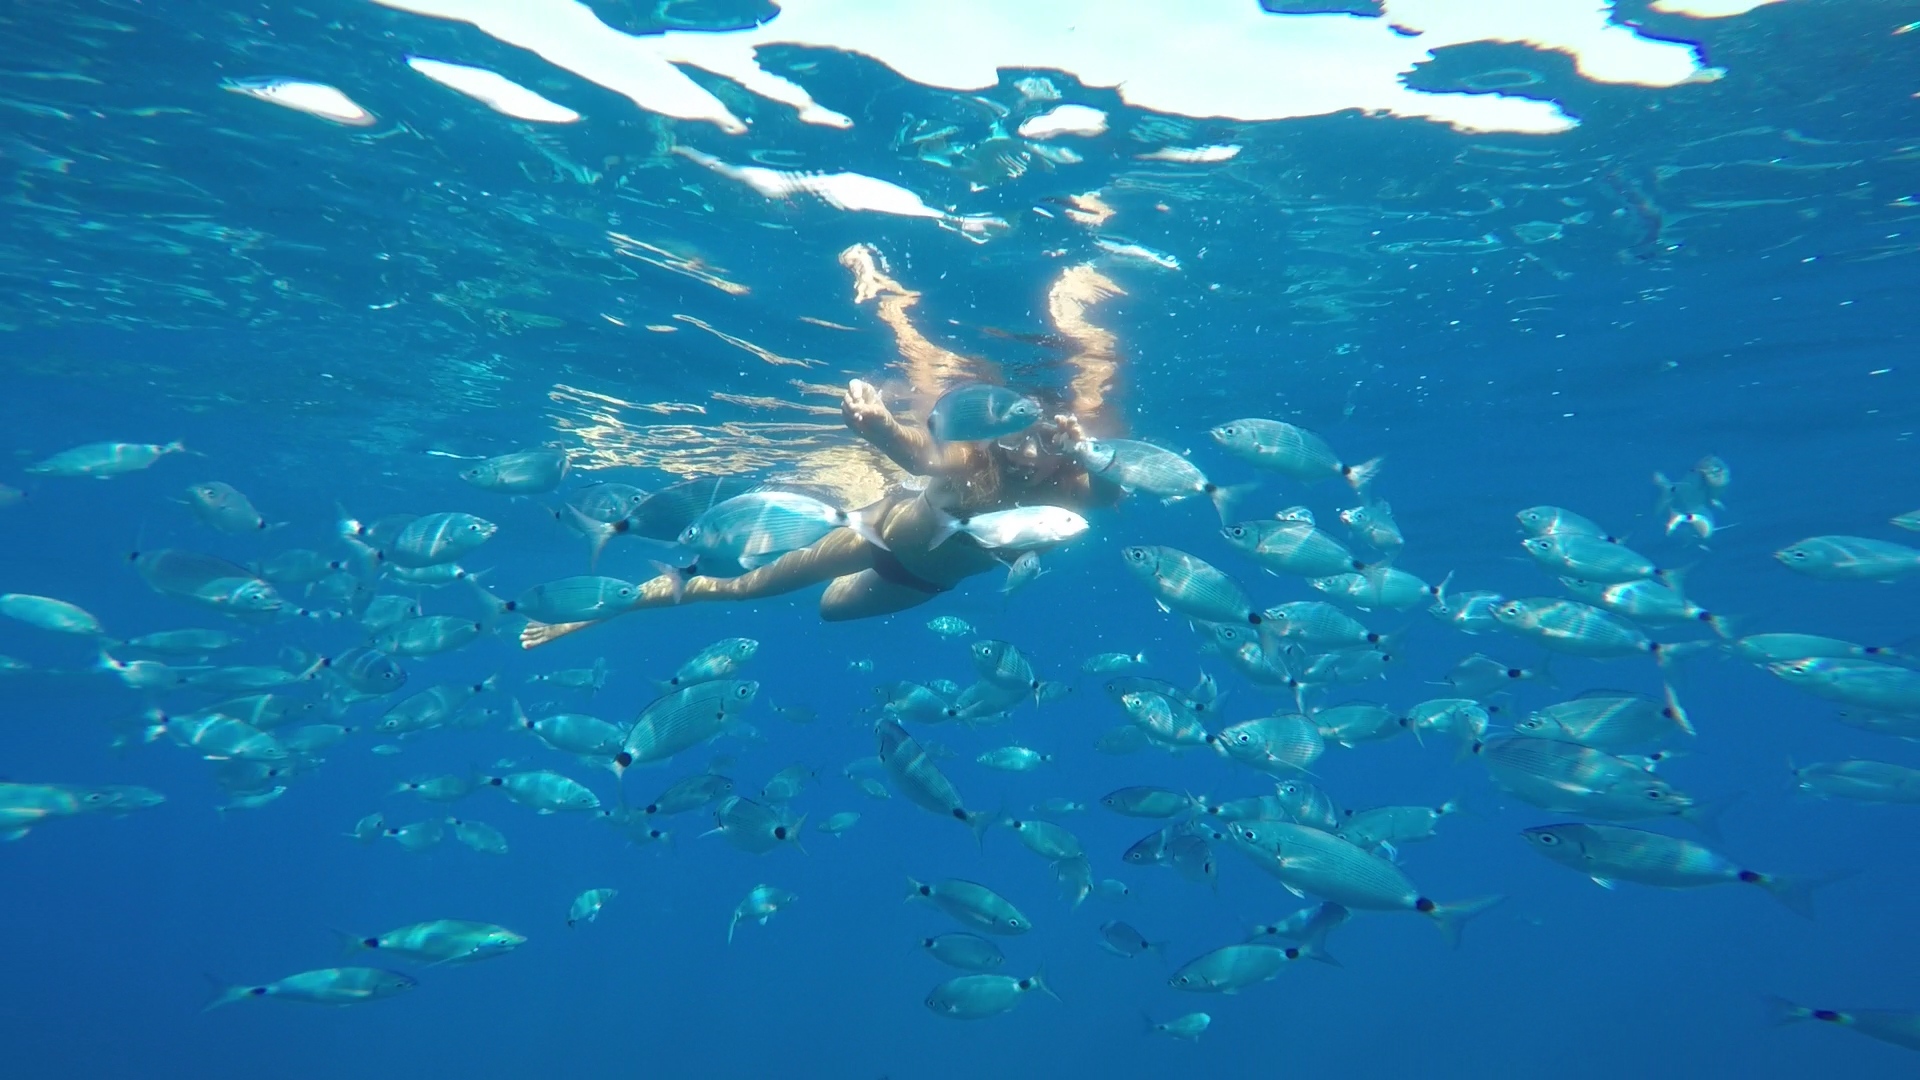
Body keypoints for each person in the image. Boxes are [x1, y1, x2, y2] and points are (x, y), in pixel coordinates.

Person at [521, 246, 1128, 648]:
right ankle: (604, 606)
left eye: (1044, 435)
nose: (1025, 446)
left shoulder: (1067, 483)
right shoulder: (974, 458)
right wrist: (878, 428)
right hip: (883, 530)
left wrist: (1091, 458)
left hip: (920, 581)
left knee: (831, 612)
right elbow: (925, 457)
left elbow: (1110, 499)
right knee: (743, 585)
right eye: (1013, 429)